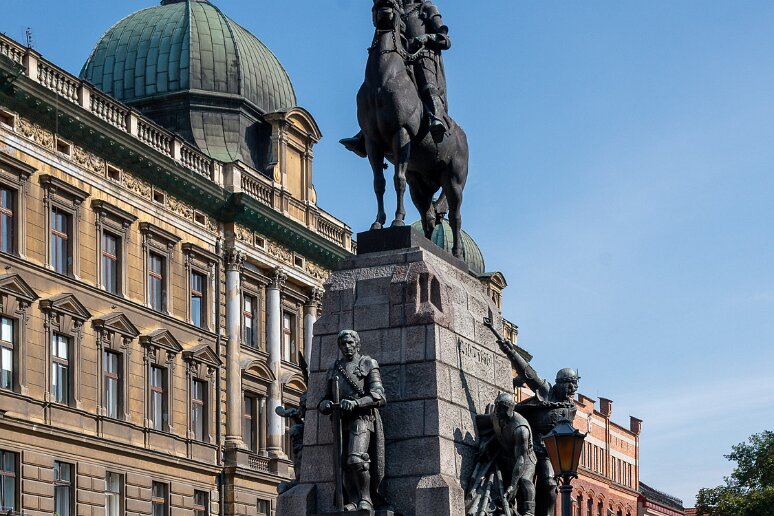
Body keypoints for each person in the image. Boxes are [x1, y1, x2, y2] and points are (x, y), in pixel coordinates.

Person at [341, 0, 452, 157]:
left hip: (423, 57)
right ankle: (364, 134)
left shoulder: (427, 7)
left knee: (428, 87)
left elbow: (445, 40)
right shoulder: (399, 9)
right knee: (381, 84)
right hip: (401, 58)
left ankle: (436, 119)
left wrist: (426, 38)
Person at [497, 337, 579, 516]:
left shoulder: (571, 408)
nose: (573, 389)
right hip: (528, 446)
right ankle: (526, 513)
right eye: (570, 385)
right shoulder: (546, 391)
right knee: (525, 481)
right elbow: (528, 373)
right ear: (560, 383)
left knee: (549, 484)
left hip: (550, 452)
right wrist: (511, 352)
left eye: (575, 386)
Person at [319, 330, 387, 511]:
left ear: (357, 343)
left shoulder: (368, 363)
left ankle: (366, 499)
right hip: (340, 420)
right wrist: (325, 405)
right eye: (343, 344)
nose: (347, 347)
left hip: (362, 418)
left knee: (356, 459)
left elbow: (379, 396)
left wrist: (356, 403)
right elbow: (324, 398)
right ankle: (354, 500)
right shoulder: (335, 368)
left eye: (350, 343)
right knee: (342, 464)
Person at [468, 393, 537, 516]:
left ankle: (529, 512)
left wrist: (513, 484)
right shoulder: (496, 416)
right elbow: (499, 432)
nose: (497, 411)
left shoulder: (521, 429)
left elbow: (521, 459)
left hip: (525, 458)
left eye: (502, 408)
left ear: (510, 409)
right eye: (497, 407)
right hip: (507, 454)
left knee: (524, 480)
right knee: (505, 482)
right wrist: (488, 444)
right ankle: (508, 508)